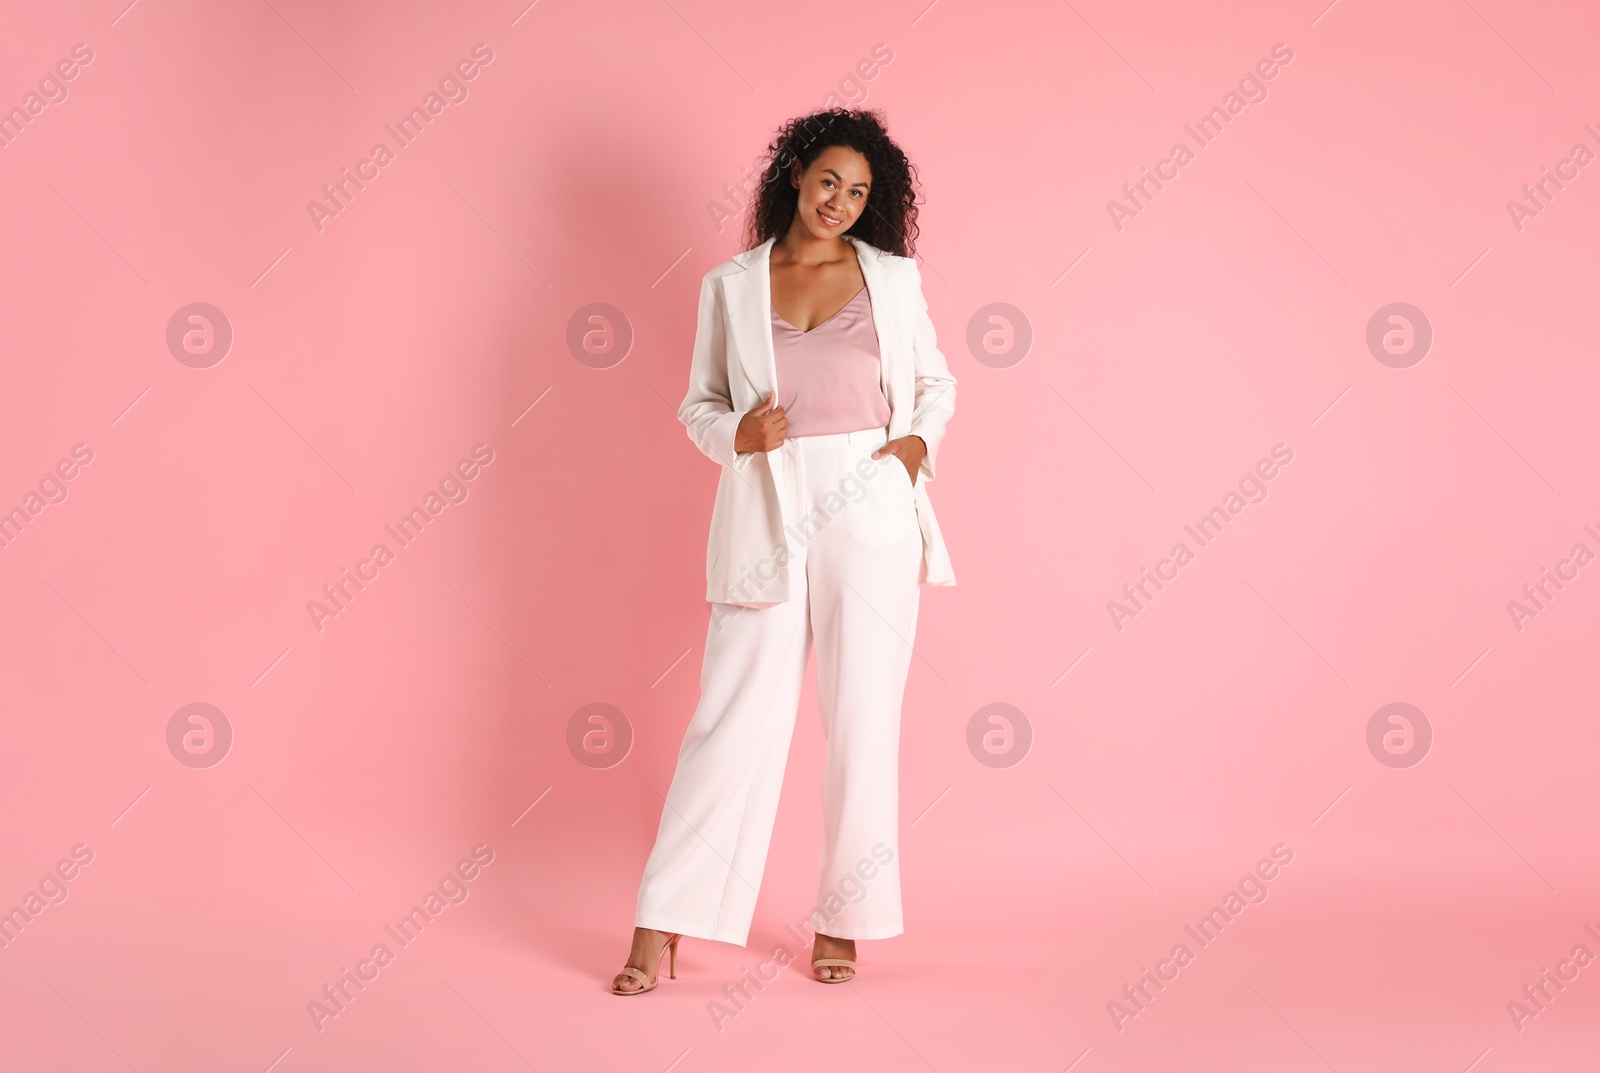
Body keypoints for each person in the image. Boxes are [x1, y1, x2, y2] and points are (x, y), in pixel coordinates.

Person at [611, 107, 956, 995]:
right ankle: (665, 923)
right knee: (731, 710)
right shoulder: (730, 284)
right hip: (767, 499)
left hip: (869, 497)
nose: (840, 202)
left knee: (861, 716)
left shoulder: (891, 279)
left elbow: (933, 382)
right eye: (829, 182)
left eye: (859, 191)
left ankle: (846, 920)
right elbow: (697, 406)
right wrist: (740, 434)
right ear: (796, 175)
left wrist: (914, 447)